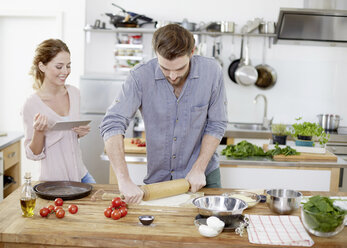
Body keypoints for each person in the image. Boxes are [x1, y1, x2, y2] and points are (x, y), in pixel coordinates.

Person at [100, 24, 227, 203]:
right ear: (156, 55)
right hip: (159, 181)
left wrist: (199, 167)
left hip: (202, 176)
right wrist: (123, 179)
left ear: (192, 52)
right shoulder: (140, 76)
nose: (173, 76)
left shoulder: (212, 72)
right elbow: (112, 123)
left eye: (180, 69)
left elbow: (217, 123)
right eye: (165, 69)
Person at [21, 39, 96, 183]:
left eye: (68, 66)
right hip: (53, 182)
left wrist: (80, 132)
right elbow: (34, 154)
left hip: (81, 175)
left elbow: (67, 137)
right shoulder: (31, 104)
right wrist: (39, 132)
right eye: (59, 66)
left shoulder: (74, 93)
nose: (65, 72)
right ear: (42, 66)